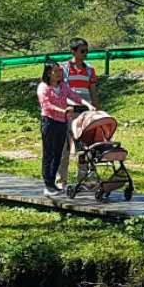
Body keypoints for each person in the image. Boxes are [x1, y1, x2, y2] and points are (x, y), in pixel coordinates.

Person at [57, 39, 97, 189]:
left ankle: (84, 179)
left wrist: (96, 110)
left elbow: (93, 91)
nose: (85, 54)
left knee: (85, 146)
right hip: (68, 111)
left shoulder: (89, 70)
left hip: (85, 113)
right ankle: (61, 180)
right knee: (65, 147)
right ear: (73, 51)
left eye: (87, 51)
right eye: (82, 51)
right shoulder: (63, 69)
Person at [37, 61, 71, 197]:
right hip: (49, 122)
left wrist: (87, 104)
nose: (58, 73)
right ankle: (47, 184)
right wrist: (63, 110)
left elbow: (73, 95)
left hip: (62, 122)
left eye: (60, 70)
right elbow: (46, 105)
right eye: (55, 71)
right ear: (48, 73)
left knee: (58, 153)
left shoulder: (62, 86)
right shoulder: (43, 87)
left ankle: (52, 183)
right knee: (48, 153)